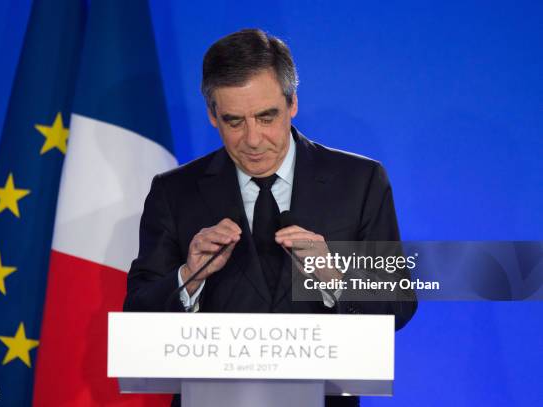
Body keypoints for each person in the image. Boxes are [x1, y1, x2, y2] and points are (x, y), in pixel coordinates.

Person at [124, 28, 417, 407]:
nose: (253, 139)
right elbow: (137, 314)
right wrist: (187, 277)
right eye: (234, 121)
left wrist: (335, 278)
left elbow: (398, 305)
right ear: (213, 115)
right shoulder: (174, 192)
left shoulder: (358, 182)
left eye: (266, 117)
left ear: (292, 103)